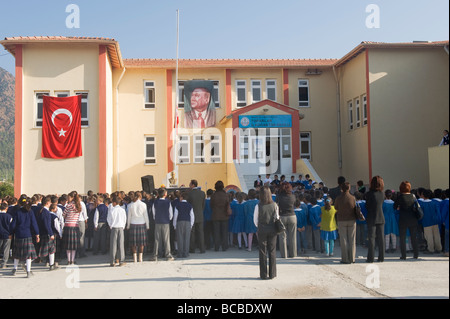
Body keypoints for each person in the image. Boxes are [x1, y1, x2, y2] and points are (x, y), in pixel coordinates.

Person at [10, 195, 40, 277]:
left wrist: (10, 233)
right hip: (28, 235)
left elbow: (13, 224)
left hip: (18, 235)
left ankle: (14, 269)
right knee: (28, 255)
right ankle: (28, 271)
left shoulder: (17, 212)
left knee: (16, 253)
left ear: (20, 203)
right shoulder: (30, 212)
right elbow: (34, 224)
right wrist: (37, 234)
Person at [253, 186, 279, 280]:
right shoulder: (275, 205)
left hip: (262, 229)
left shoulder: (258, 206)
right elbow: (277, 218)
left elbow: (255, 220)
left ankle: (263, 274)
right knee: (272, 251)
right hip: (273, 229)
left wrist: (259, 226)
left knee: (262, 251)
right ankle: (272, 274)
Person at [394, 181, 420, 260]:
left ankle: (404, 255)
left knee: (402, 238)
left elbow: (395, 206)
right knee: (413, 237)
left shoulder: (400, 197)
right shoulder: (413, 196)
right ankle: (416, 254)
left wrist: (399, 207)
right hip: (413, 219)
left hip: (403, 219)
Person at [334, 181, 357, 264]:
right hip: (351, 219)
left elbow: (336, 207)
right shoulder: (353, 197)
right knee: (352, 239)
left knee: (343, 239)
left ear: (341, 189)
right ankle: (352, 258)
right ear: (349, 188)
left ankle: (345, 259)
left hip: (341, 220)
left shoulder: (338, 198)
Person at [365, 176, 386, 263]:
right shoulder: (382, 194)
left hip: (371, 217)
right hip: (381, 217)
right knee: (381, 239)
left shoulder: (369, 194)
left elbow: (367, 206)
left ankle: (371, 258)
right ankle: (381, 257)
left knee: (371, 238)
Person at [35, 196, 58, 270]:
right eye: (50, 202)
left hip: (41, 232)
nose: (51, 203)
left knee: (45, 250)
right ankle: (51, 265)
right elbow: (47, 225)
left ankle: (51, 264)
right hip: (46, 233)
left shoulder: (39, 210)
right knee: (49, 250)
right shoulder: (46, 212)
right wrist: (51, 234)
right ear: (47, 203)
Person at [152, 188, 174, 261]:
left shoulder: (155, 202)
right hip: (166, 222)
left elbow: (153, 212)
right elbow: (171, 213)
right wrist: (168, 219)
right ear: (165, 194)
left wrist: (156, 218)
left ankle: (156, 255)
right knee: (166, 239)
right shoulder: (168, 202)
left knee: (157, 239)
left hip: (158, 221)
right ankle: (168, 254)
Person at [127, 191, 150, 263]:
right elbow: (146, 216)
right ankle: (140, 258)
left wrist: (127, 225)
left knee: (133, 243)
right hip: (142, 224)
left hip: (133, 224)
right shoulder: (143, 205)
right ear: (140, 197)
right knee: (141, 243)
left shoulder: (131, 205)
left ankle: (134, 258)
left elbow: (129, 217)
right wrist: (148, 225)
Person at [276, 182, 297, 258]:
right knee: (293, 236)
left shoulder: (279, 197)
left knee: (282, 236)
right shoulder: (293, 196)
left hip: (282, 216)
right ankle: (293, 254)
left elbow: (277, 206)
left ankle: (284, 255)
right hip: (292, 216)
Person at [419, 189, 442, 254]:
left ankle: (431, 249)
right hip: (435, 221)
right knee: (436, 235)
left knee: (429, 236)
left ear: (423, 195)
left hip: (426, 221)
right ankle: (439, 248)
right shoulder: (434, 202)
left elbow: (421, 213)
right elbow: (437, 212)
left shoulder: (422, 204)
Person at [62, 191, 82, 265]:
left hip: (68, 226)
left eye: (69, 197)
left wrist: (67, 216)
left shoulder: (68, 205)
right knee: (73, 246)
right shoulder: (79, 206)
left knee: (68, 246)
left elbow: (63, 215)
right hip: (75, 227)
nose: (68, 198)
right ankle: (72, 260)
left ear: (72, 197)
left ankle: (68, 260)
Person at [210, 181, 230, 252]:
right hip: (224, 215)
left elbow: (211, 205)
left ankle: (217, 247)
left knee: (216, 232)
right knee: (224, 232)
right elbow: (228, 204)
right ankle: (224, 247)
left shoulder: (213, 195)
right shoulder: (226, 195)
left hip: (216, 215)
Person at [173, 192, 195, 258]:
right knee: (187, 238)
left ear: (182, 197)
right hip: (188, 222)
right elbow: (192, 216)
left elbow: (175, 216)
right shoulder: (190, 205)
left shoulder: (177, 205)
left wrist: (174, 225)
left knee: (180, 238)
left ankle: (180, 253)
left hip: (180, 221)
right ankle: (186, 253)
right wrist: (191, 225)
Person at [108, 194, 127, 267]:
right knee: (121, 244)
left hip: (114, 227)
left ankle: (112, 261)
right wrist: (123, 226)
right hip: (121, 227)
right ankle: (121, 260)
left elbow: (109, 219)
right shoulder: (122, 210)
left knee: (113, 245)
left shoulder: (112, 210)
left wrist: (110, 225)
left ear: (114, 203)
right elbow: (124, 219)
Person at [187, 180, 206, 254]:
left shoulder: (189, 194)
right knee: (201, 232)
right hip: (200, 215)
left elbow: (188, 205)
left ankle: (192, 248)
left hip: (192, 215)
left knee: (192, 233)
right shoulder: (202, 193)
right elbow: (203, 205)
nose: (189, 185)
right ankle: (202, 249)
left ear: (193, 185)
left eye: (190, 184)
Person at [0, 201, 12, 269]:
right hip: (7, 234)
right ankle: (4, 263)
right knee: (6, 250)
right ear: (6, 208)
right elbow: (11, 226)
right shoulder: (9, 216)